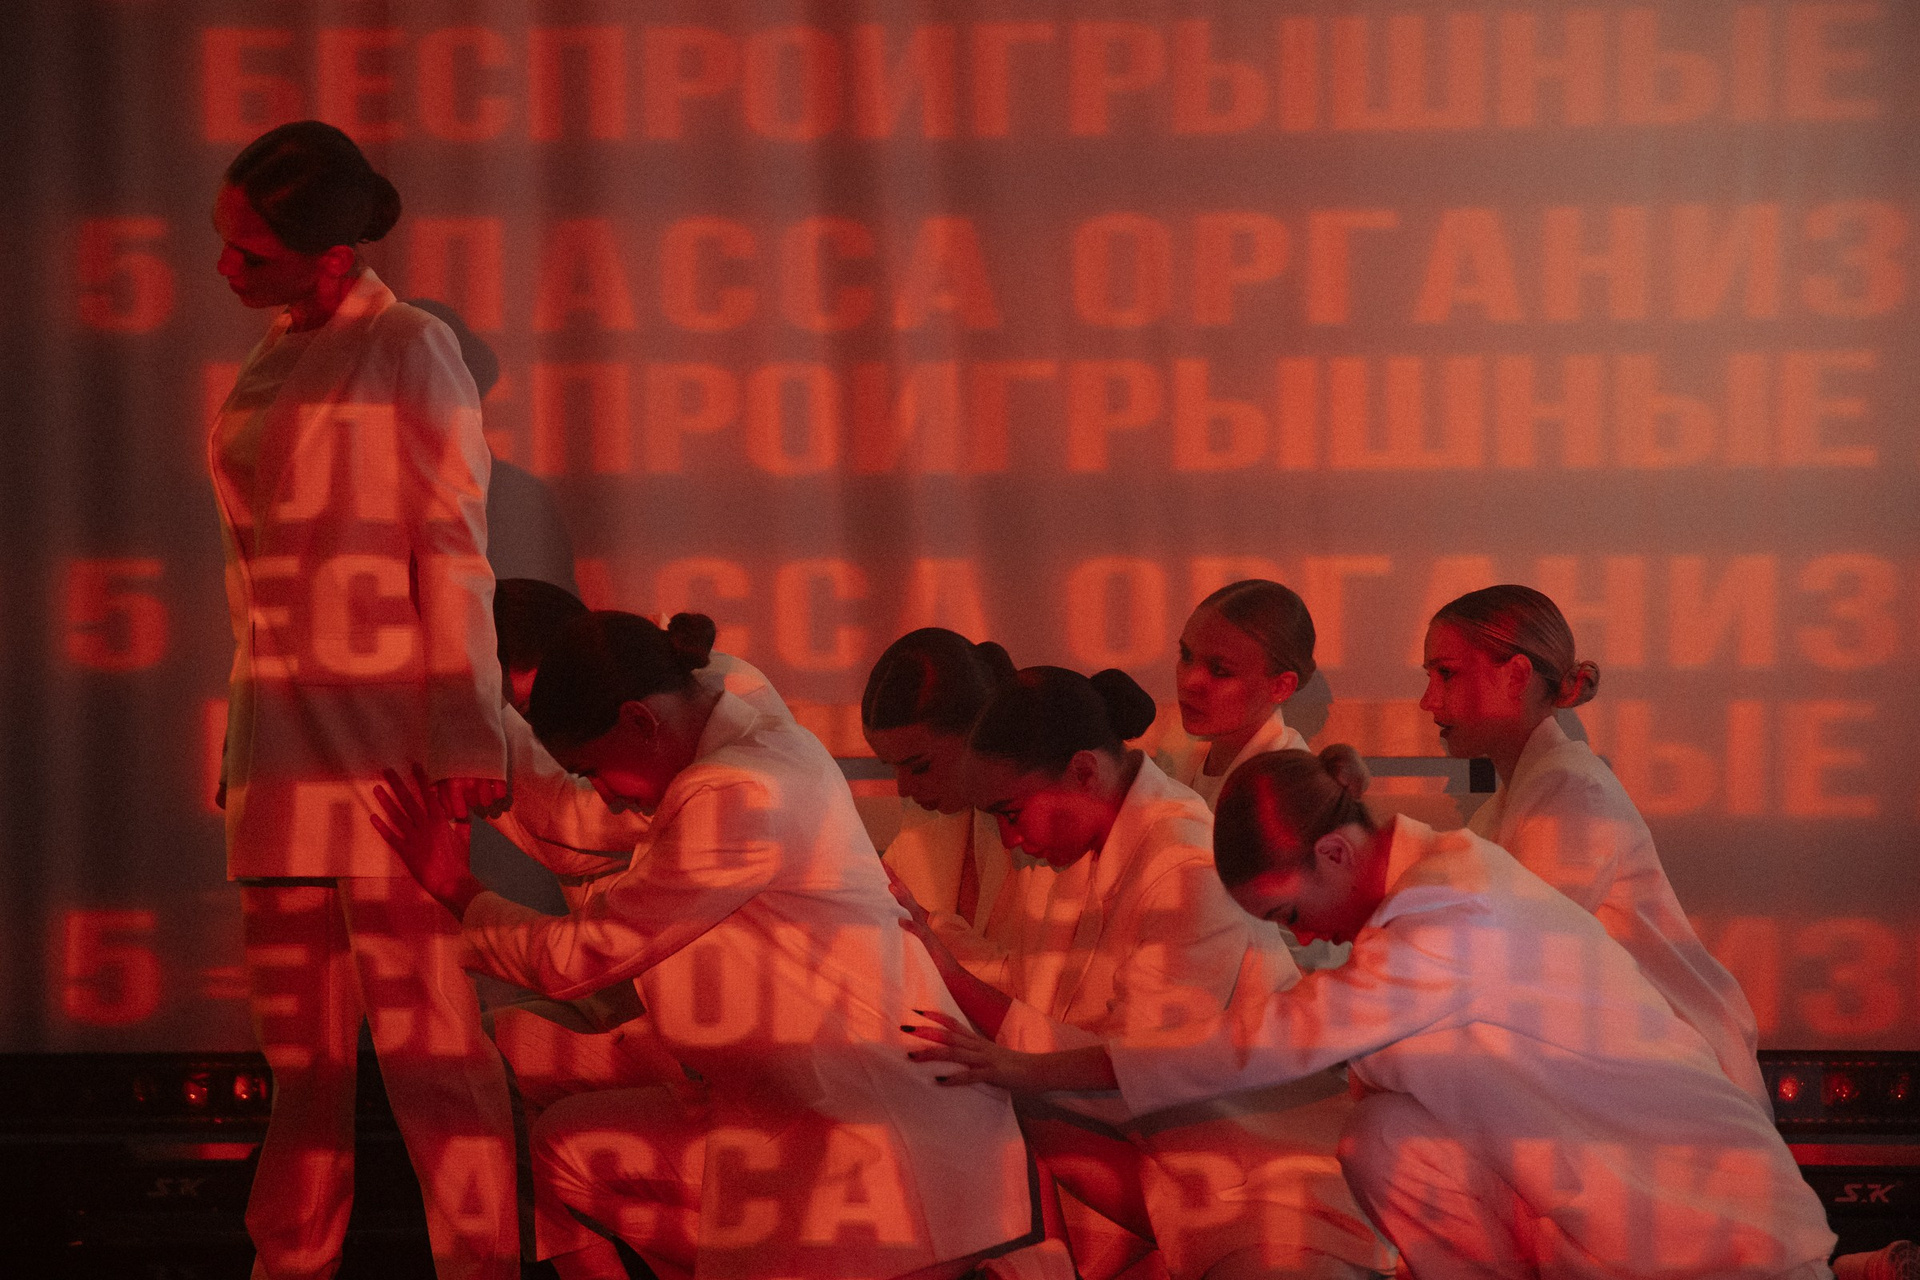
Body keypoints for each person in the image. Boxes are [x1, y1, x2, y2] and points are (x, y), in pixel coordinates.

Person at [908, 748, 1842, 1280]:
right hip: (1592, 1192)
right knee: (1383, 1138)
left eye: (1289, 915)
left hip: (1705, 1218)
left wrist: (1031, 1066)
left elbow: (1260, 1046)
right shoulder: (1424, 886)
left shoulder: (1452, 913)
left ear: (1336, 855)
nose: (1303, 939)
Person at [372, 611, 1034, 1280]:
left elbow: (584, 954)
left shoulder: (737, 788)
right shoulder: (742, 739)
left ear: (639, 721)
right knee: (569, 1144)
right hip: (805, 1113)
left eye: (592, 771)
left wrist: (456, 888)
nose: (604, 797)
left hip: (880, 1140)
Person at [207, 121, 518, 1280]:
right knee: (301, 1057)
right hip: (282, 746)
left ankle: (483, 1262)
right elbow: (256, 576)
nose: (227, 269)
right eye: (226, 243)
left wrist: (467, 738)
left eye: (253, 253)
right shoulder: (269, 355)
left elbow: (454, 547)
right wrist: (240, 738)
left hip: (389, 744)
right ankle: (288, 1262)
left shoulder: (406, 346)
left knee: (432, 1045)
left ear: (333, 255)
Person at [894, 666, 1392, 1280]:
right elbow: (1026, 985)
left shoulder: (1183, 861)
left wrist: (990, 1033)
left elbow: (1135, 1073)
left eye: (1013, 812)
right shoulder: (1080, 850)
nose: (1010, 838)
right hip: (1178, 1183)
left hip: (1266, 1192)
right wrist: (926, 929)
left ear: (1084, 772)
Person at [1422, 584, 1769, 1109]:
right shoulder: (1513, 801)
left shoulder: (1572, 791)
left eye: (1446, 673)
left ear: (1515, 676)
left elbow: (1512, 963)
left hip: (1685, 1095)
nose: (1428, 700)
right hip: (1640, 1081)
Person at [863, 628, 1034, 944]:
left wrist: (928, 927)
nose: (904, 789)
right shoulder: (922, 824)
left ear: (978, 729)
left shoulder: (1048, 819)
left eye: (920, 766)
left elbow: (1038, 973)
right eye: (893, 768)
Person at [1155, 580, 1315, 810]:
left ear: (1281, 687)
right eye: (1187, 655)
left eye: (1220, 670)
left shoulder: (1291, 794)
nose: (1189, 682)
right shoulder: (1177, 752)